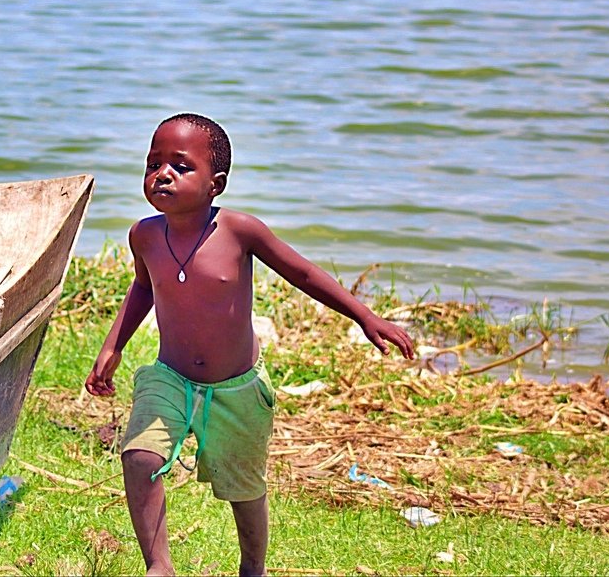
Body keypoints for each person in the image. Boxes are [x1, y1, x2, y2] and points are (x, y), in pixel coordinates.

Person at [85, 113, 415, 576]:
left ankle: (253, 566)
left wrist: (364, 315)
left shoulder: (239, 231)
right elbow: (143, 288)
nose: (162, 174)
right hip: (170, 377)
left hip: (236, 389)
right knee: (140, 456)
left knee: (243, 488)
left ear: (215, 183)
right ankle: (159, 566)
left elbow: (302, 273)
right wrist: (113, 347)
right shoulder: (145, 235)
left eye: (180, 166)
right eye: (153, 163)